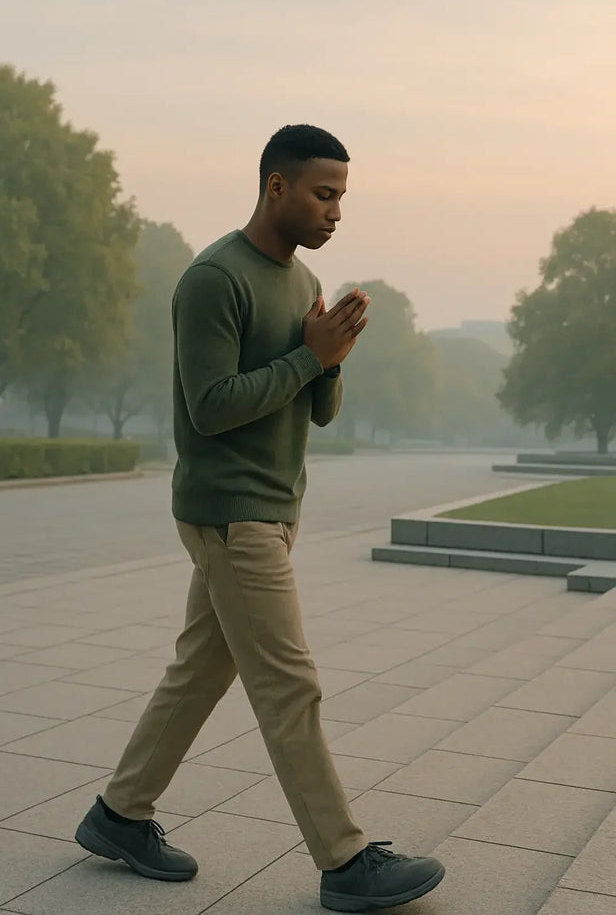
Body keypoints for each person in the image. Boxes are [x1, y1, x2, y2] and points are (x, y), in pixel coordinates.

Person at [75, 124, 445, 912]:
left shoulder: (304, 280)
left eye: (342, 197)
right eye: (324, 194)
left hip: (274, 508)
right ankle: (345, 861)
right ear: (277, 187)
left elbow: (319, 410)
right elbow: (210, 408)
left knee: (201, 670)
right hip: (230, 514)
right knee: (289, 685)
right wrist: (310, 356)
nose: (336, 212)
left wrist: (331, 358)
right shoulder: (214, 279)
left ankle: (119, 814)